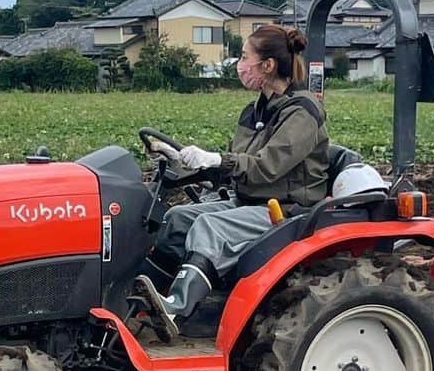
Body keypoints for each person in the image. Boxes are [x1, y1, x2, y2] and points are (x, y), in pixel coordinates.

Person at [136, 24, 329, 340]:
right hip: (250, 200)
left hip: (285, 210)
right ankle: (144, 298)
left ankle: (177, 309)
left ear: (266, 66)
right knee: (178, 218)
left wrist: (216, 159)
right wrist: (181, 158)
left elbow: (266, 168)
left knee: (210, 228)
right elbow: (233, 166)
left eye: (244, 56)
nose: (239, 64)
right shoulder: (255, 111)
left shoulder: (302, 112)